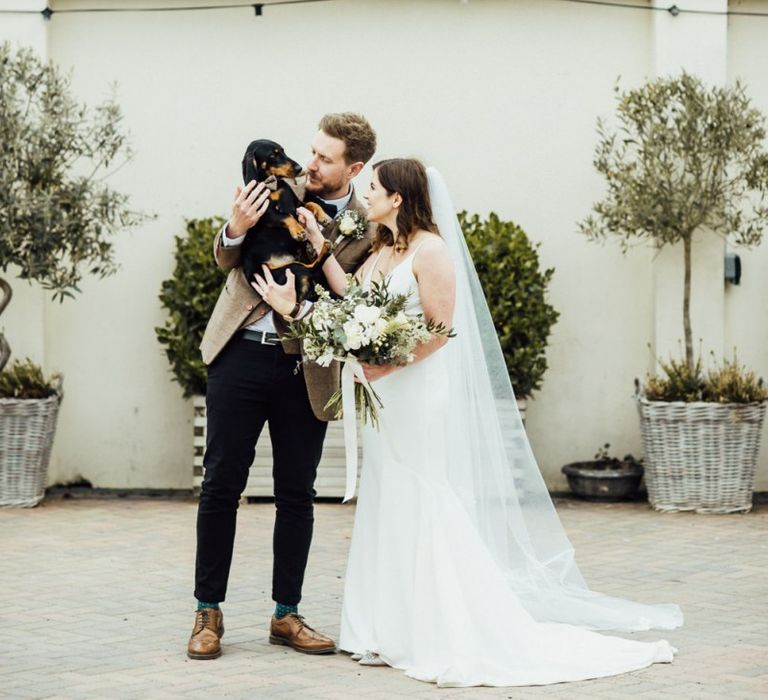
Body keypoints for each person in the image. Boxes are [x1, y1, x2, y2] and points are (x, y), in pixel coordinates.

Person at [257, 158, 683, 687]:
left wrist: (386, 363)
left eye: (373, 188)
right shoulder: (383, 248)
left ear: (398, 198)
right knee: (388, 496)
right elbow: (355, 299)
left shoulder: (431, 250)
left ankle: (441, 628)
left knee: (424, 494)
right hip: (385, 395)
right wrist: (298, 295)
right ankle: (385, 628)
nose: (365, 196)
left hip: (416, 391)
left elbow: (438, 331)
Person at [187, 113, 376, 660]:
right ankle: (207, 611)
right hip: (239, 354)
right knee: (221, 484)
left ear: (353, 167)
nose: (310, 164)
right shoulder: (275, 185)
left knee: (298, 492)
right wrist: (236, 227)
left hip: (305, 366)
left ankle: (286, 615)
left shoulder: (367, 227)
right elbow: (225, 256)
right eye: (311, 151)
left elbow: (353, 304)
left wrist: (309, 276)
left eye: (324, 158)